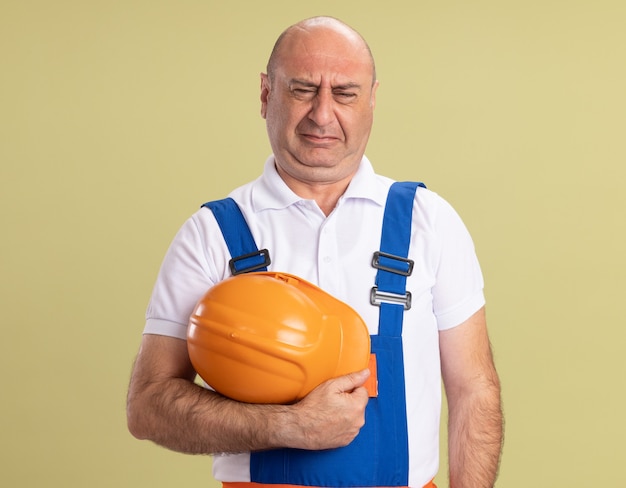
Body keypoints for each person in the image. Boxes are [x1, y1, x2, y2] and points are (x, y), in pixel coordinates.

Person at [127, 16, 503, 488]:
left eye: (344, 93)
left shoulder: (428, 222)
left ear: (371, 99)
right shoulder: (212, 234)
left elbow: (474, 391)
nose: (323, 115)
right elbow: (148, 407)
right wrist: (288, 426)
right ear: (266, 94)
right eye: (303, 89)